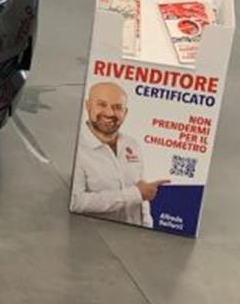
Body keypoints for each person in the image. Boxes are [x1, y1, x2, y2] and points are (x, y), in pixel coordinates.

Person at [70, 81, 168, 227]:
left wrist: (147, 223)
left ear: (125, 113)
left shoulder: (132, 144)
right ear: (87, 105)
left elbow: (142, 192)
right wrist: (135, 194)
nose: (109, 113)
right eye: (102, 104)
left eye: (117, 107)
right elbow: (76, 202)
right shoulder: (76, 148)